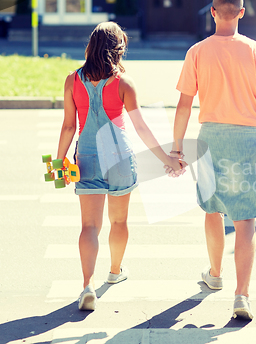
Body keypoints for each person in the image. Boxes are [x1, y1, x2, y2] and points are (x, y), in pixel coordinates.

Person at [170, 0, 256, 320]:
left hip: (211, 140)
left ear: (213, 12)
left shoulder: (198, 52)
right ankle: (242, 295)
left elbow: (184, 105)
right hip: (249, 140)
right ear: (242, 13)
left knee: (212, 209)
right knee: (246, 217)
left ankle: (215, 274)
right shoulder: (255, 51)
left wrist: (177, 148)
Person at [56, 22, 182, 311]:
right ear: (118, 49)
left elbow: (67, 126)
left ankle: (87, 286)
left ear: (91, 47)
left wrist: (60, 160)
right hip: (119, 156)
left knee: (89, 225)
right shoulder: (124, 83)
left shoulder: (72, 81)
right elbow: (140, 126)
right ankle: (114, 271)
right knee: (120, 221)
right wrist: (168, 160)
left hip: (86, 156)